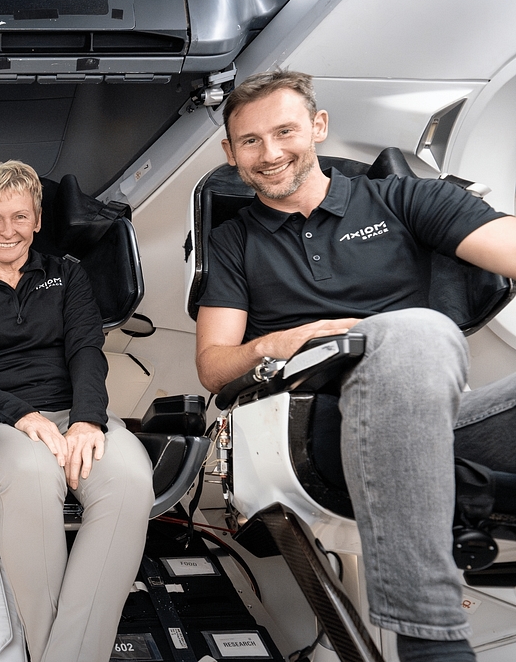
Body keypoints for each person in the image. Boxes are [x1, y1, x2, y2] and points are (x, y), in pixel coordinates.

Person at [195, 70, 516, 662]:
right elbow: (214, 368)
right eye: (250, 141)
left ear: (318, 126)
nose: (270, 154)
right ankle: (431, 642)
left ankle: (463, 489)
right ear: (231, 153)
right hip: (313, 428)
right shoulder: (235, 241)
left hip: (435, 415)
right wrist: (286, 340)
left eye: (285, 131)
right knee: (417, 328)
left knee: (418, 336)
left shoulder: (405, 198)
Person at [0, 160, 154, 662]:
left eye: (19, 216)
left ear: (36, 219)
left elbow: (86, 350)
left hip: (74, 411)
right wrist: (21, 415)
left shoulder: (67, 275)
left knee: (131, 481)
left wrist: (87, 420)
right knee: (33, 474)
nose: (7, 230)